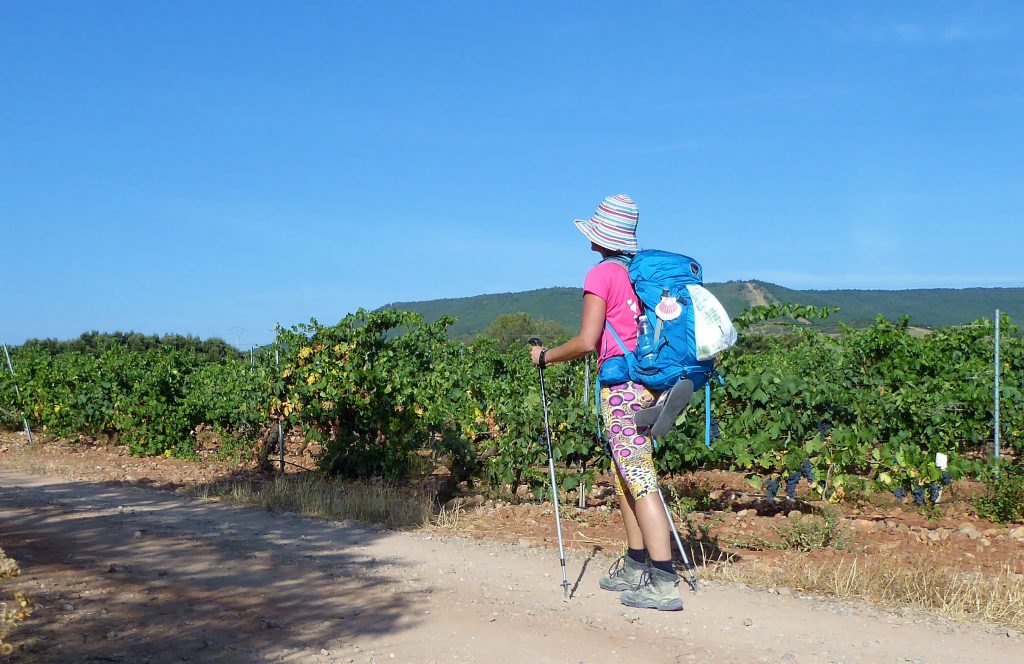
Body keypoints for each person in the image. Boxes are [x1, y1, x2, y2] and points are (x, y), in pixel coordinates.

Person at [529, 194, 682, 611]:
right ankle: (635, 565)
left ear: (601, 237)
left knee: (638, 478)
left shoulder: (601, 275)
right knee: (624, 476)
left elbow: (585, 342)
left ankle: (663, 580)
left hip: (622, 390)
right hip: (645, 386)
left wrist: (544, 357)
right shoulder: (635, 274)